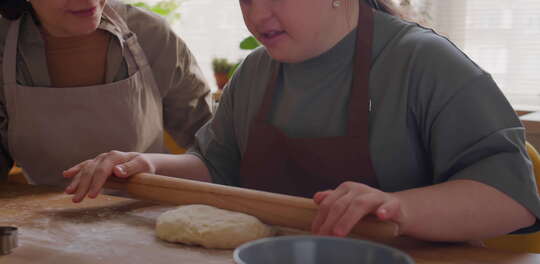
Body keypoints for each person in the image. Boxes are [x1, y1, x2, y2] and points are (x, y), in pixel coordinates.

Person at [63, 0, 540, 243]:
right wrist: (144, 165)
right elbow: (218, 165)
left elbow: (511, 199)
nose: (257, 15)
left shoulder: (425, 65)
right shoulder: (256, 72)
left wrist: (398, 206)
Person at [0, 0, 212, 187]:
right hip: (41, 223)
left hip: (147, 215)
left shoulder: (152, 36)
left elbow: (216, 151)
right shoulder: (4, 46)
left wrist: (154, 166)